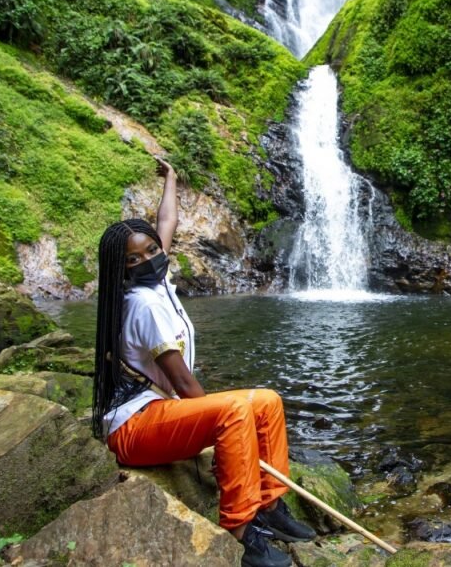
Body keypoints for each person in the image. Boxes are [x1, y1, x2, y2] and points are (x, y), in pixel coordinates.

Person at [92, 157, 315, 567]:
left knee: (266, 401)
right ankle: (240, 530)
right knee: (233, 412)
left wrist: (172, 179)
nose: (148, 259)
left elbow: (167, 222)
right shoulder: (142, 304)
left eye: (151, 250)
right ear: (119, 270)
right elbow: (183, 384)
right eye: (133, 259)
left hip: (159, 411)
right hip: (133, 427)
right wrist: (226, 432)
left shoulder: (158, 281)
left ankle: (269, 504)